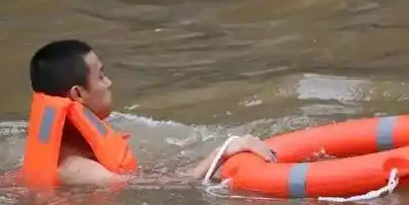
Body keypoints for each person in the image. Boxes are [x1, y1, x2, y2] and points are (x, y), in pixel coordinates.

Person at [22, 39, 277, 188]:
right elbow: (169, 188)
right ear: (77, 95)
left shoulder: (69, 154)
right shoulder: (81, 170)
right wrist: (227, 149)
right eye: (100, 76)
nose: (109, 83)